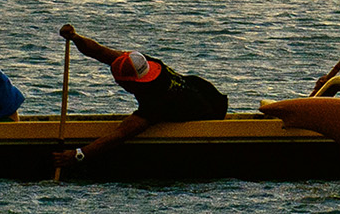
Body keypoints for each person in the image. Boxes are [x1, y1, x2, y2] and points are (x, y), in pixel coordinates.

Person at [55, 24, 230, 165]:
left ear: (130, 83)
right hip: (202, 89)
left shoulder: (157, 100)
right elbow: (99, 51)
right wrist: (75, 37)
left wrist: (78, 154)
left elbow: (120, 135)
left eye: (120, 82)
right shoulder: (141, 63)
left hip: (208, 112)